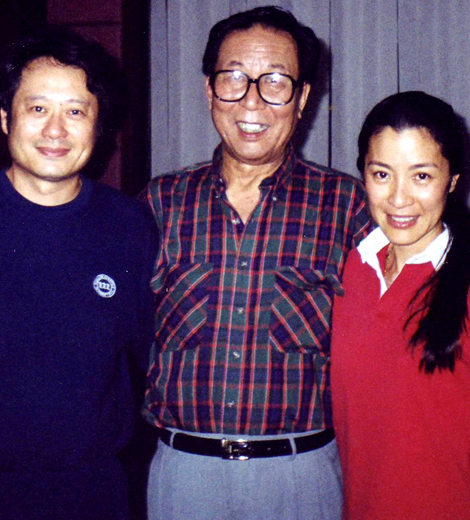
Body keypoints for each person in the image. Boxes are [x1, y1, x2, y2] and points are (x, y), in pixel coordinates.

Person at [142, 6, 371, 520]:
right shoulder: (159, 203)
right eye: (234, 78)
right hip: (184, 473)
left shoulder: (347, 205)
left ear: (302, 98)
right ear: (208, 89)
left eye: (275, 82)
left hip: (301, 474)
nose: (252, 100)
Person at [0, 27, 157, 520]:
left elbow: (153, 353)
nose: (55, 130)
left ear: (98, 125)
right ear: (5, 118)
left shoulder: (129, 225)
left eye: (75, 112)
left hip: (94, 490)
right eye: (37, 108)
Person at [331, 91, 470, 519]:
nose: (398, 198)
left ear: (452, 180)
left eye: (421, 176)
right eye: (382, 174)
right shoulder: (351, 270)